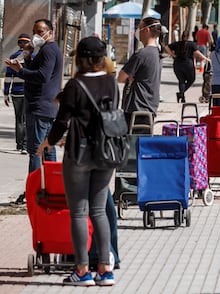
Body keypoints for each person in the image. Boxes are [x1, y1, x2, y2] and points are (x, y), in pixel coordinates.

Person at [37, 36, 118, 286]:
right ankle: (105, 269)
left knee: (79, 213)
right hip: (106, 153)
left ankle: (82, 270)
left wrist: (48, 142)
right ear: (102, 59)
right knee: (99, 212)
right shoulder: (111, 83)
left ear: (81, 59)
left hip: (79, 153)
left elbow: (62, 122)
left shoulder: (75, 85)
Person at [5, 19, 63, 204]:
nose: (36, 35)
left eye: (40, 31)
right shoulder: (46, 50)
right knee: (47, 150)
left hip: (40, 107)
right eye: (34, 31)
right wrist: (28, 59)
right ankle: (52, 189)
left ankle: (34, 192)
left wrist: (20, 71)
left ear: (50, 32)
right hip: (45, 106)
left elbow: (42, 76)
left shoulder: (48, 50)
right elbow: (38, 71)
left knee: (36, 151)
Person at [117, 17, 164, 128]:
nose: (137, 32)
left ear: (146, 30)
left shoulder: (141, 54)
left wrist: (130, 77)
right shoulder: (158, 53)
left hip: (136, 107)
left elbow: (121, 77)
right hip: (150, 106)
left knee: (132, 143)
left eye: (139, 28)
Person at [3, 33, 32, 155]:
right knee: (25, 119)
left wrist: (6, 94)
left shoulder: (12, 57)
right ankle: (25, 145)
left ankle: (19, 144)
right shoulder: (33, 57)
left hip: (15, 93)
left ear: (18, 44)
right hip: (28, 92)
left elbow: (8, 78)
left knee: (18, 119)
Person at [165, 31, 210, 103]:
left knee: (181, 80)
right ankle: (181, 94)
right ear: (189, 36)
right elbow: (197, 52)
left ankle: (182, 96)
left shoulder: (177, 44)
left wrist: (172, 55)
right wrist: (205, 58)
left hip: (177, 64)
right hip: (188, 65)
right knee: (191, 80)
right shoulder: (191, 44)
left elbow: (166, 47)